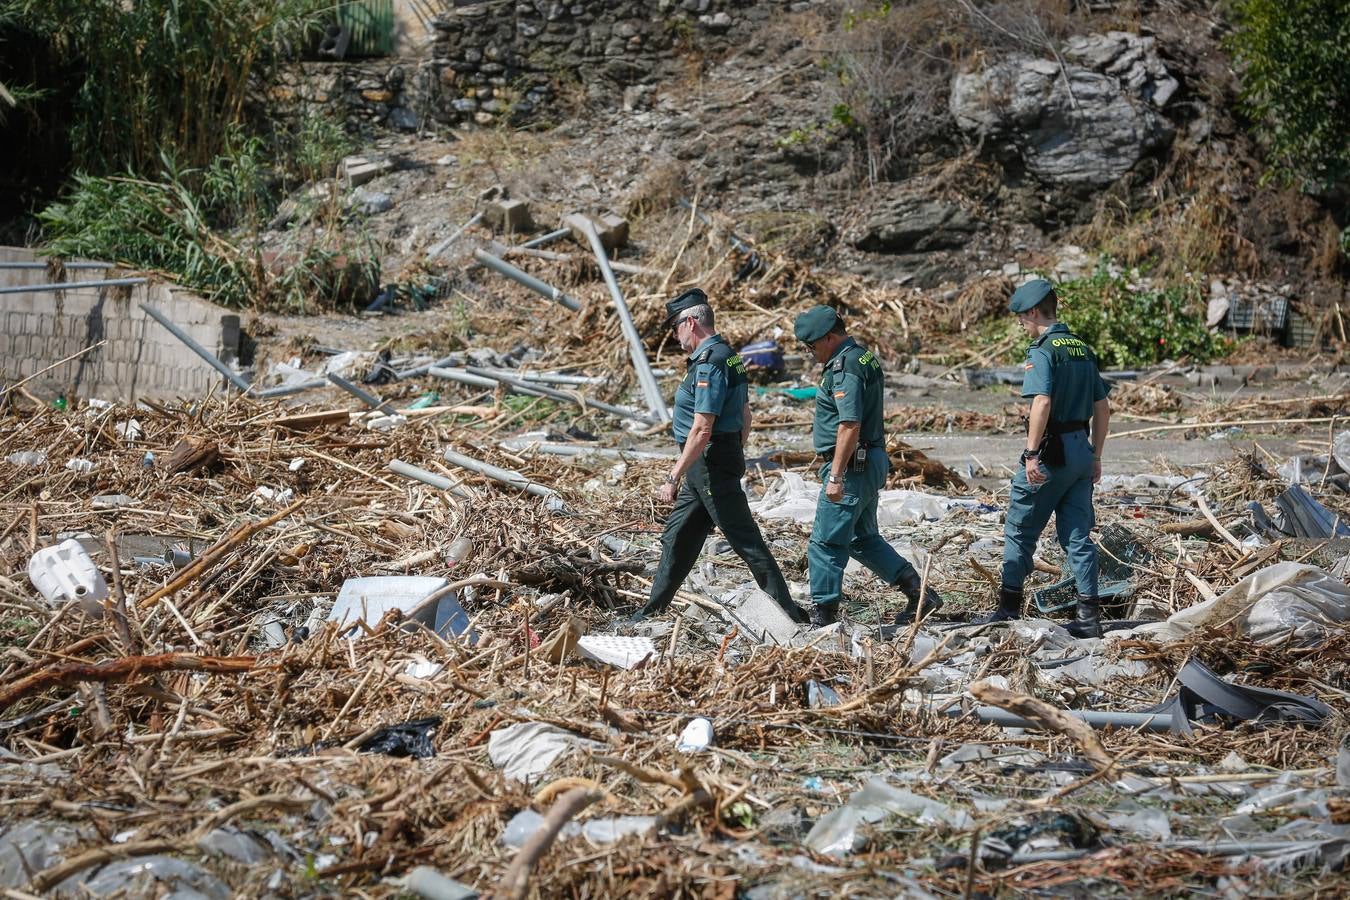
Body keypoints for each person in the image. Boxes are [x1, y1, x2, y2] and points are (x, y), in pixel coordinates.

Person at [631, 288, 808, 624]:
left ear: (692, 322)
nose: (675, 335)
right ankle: (650, 611)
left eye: (676, 327)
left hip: (709, 462)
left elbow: (702, 428)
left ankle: (790, 615)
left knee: (745, 540)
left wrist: (674, 475)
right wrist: (731, 453)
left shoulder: (711, 361)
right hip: (711, 462)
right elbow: (746, 416)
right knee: (678, 536)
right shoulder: (729, 355)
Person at [976, 278, 1111, 638]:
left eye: (1021, 318)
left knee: (1020, 531)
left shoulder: (1043, 351)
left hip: (1052, 455)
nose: (1021, 325)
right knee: (1078, 537)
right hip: (1081, 450)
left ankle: (1007, 608)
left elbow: (1042, 402)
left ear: (1034, 312)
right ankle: (1088, 618)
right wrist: (1096, 455)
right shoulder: (1082, 348)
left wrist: (1031, 454)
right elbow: (1103, 407)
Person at [793, 305, 943, 629]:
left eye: (812, 346)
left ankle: (824, 616)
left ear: (830, 337)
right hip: (868, 459)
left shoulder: (844, 366)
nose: (811, 353)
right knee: (861, 538)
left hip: (852, 465)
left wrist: (835, 476)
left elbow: (849, 424)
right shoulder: (862, 356)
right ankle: (920, 595)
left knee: (825, 541)